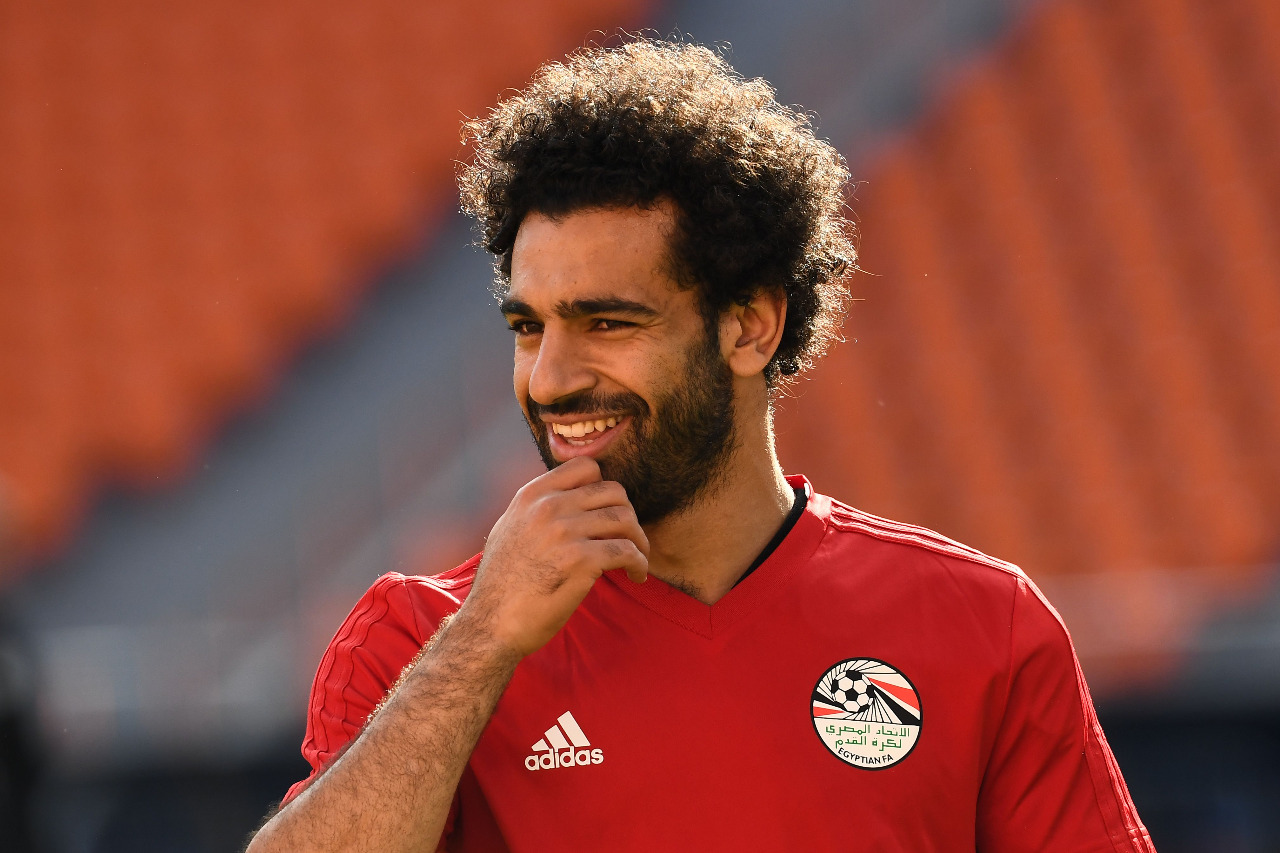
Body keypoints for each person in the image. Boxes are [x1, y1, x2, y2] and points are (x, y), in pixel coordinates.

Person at [247, 39, 1155, 853]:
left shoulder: (982, 625)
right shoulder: (418, 639)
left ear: (750, 326)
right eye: (528, 327)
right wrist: (481, 644)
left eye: (608, 321)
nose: (550, 378)